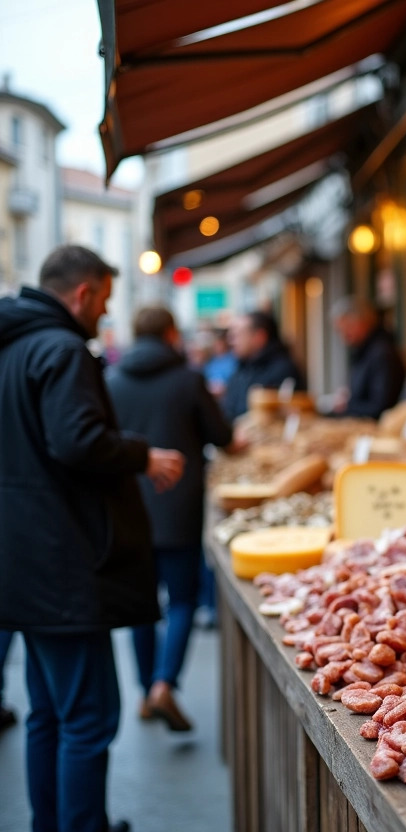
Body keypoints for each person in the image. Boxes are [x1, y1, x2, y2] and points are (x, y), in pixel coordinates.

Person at [0, 244, 185, 832]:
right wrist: (142, 455)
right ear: (82, 293)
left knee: (48, 714)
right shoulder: (61, 351)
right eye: (103, 301)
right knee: (87, 716)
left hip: (23, 557)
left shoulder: (11, 348)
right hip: (63, 564)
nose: (105, 315)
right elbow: (77, 440)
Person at [106, 306, 236, 732]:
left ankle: (146, 691)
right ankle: (165, 684)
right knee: (181, 600)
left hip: (129, 505)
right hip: (178, 504)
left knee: (143, 605)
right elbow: (221, 436)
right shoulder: (188, 379)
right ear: (169, 334)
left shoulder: (112, 381)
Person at [330, 296, 406, 418]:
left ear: (361, 323)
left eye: (346, 329)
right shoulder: (363, 350)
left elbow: (381, 405)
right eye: (340, 331)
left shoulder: (382, 353)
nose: (343, 336)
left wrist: (348, 405)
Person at [222, 310, 305, 421]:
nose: (231, 341)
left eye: (238, 335)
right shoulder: (242, 367)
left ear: (259, 337)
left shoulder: (282, 369)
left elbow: (281, 416)